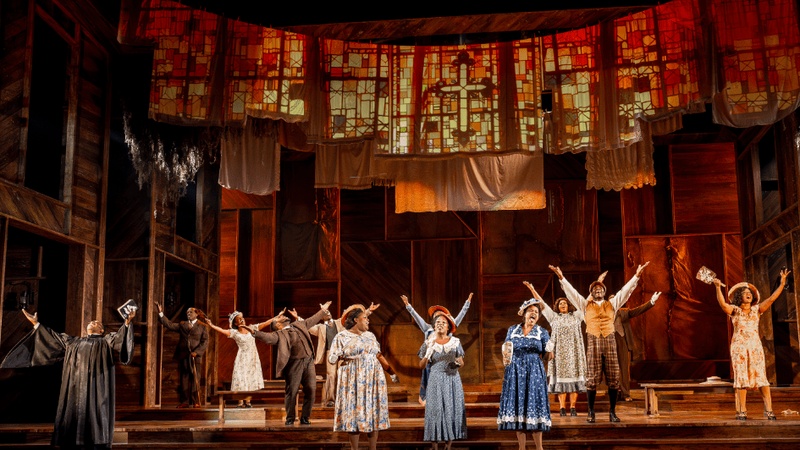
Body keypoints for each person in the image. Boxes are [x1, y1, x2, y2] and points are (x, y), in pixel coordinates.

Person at [0, 306, 135, 449]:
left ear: (101, 331)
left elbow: (121, 339)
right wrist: (36, 324)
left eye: (96, 323)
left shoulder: (106, 341)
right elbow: (53, 338)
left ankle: (97, 440)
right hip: (75, 386)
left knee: (95, 411)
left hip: (97, 386)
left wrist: (127, 323)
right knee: (73, 410)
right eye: (91, 322)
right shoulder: (72, 341)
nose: (93, 322)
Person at [549, 262, 649, 423]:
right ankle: (591, 411)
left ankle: (612, 412)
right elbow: (571, 293)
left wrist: (636, 275)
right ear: (591, 292)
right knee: (592, 380)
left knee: (613, 379)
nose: (598, 290)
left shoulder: (613, 304)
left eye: (601, 288)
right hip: (593, 344)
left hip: (609, 343)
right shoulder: (584, 305)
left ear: (604, 291)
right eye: (595, 289)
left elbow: (626, 291)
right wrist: (561, 277)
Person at [713, 268, 790, 421]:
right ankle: (742, 410)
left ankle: (768, 410)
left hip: (755, 347)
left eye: (750, 292)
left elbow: (772, 299)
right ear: (739, 296)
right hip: (739, 348)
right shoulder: (735, 310)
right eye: (745, 292)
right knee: (741, 377)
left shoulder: (757, 310)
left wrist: (782, 283)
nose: (748, 294)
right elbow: (723, 305)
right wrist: (717, 288)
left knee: (761, 376)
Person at [252, 301, 331, 425]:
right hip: (294, 364)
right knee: (292, 391)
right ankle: (290, 418)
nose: (283, 316)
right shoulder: (279, 334)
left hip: (308, 361)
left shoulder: (299, 324)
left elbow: (313, 319)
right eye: (279, 317)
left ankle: (305, 417)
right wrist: (254, 333)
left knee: (311, 389)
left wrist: (323, 310)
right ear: (277, 325)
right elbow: (268, 338)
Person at [329, 306, 394, 450]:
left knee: (373, 411)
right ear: (355, 320)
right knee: (354, 413)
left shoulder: (370, 335)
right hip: (352, 378)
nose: (368, 320)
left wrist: (391, 371)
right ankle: (354, 448)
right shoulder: (341, 336)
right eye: (365, 318)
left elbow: (378, 354)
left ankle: (373, 448)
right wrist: (340, 355)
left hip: (372, 377)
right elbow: (332, 358)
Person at [524, 281, 586, 417]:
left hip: (574, 353)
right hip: (559, 354)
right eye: (560, 304)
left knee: (574, 381)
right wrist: (532, 288)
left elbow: (584, 303)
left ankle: (573, 407)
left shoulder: (577, 316)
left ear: (569, 305)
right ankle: (563, 407)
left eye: (565, 303)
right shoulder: (553, 317)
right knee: (561, 382)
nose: (563, 305)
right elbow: (541, 303)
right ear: (557, 307)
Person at [497, 297, 552, 450]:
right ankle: (521, 448)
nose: (534, 313)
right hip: (515, 372)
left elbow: (547, 357)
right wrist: (506, 359)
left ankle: (539, 448)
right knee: (518, 407)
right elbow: (507, 349)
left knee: (533, 406)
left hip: (534, 372)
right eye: (531, 311)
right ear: (524, 314)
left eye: (536, 312)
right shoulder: (512, 329)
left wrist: (550, 350)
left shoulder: (542, 332)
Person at [303, 302, 382, 408]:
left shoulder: (339, 323)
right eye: (325, 313)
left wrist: (369, 311)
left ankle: (345, 398)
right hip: (330, 353)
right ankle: (330, 399)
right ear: (322, 317)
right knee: (331, 375)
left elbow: (355, 317)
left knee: (343, 374)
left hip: (343, 352)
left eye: (328, 311)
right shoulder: (320, 328)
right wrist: (298, 318)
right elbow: (306, 326)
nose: (327, 313)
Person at [201, 310, 283, 407]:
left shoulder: (252, 328)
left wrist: (277, 316)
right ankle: (240, 402)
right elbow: (221, 330)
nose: (241, 319)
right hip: (242, 358)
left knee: (249, 378)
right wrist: (211, 325)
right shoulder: (234, 333)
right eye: (239, 319)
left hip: (252, 357)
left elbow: (265, 323)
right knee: (241, 378)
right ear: (235, 323)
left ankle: (248, 401)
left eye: (242, 317)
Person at [401, 293, 472, 405]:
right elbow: (416, 317)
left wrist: (467, 304)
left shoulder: (450, 330)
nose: (439, 318)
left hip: (445, 362)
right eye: (437, 316)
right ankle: (429, 400)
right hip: (430, 361)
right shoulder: (427, 328)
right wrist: (408, 306)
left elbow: (460, 317)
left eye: (442, 317)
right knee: (428, 380)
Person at [419, 313, 467, 450]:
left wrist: (457, 364)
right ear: (434, 326)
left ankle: (448, 444)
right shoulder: (428, 342)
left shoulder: (455, 342)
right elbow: (421, 366)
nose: (440, 324)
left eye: (443, 322)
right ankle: (434, 445)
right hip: (435, 379)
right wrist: (427, 355)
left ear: (448, 327)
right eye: (438, 322)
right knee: (435, 410)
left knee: (451, 409)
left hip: (452, 379)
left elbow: (461, 362)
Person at [157, 303, 209, 408]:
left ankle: (195, 401)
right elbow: (169, 325)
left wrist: (197, 352)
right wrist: (160, 313)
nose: (188, 314)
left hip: (195, 356)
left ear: (196, 314)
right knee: (184, 378)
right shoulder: (182, 324)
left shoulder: (202, 326)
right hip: (184, 355)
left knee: (195, 378)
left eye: (190, 312)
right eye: (187, 312)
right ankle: (184, 401)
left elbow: (205, 342)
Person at [615, 290, 661, 401]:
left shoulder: (624, 312)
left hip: (621, 341)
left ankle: (626, 394)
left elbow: (637, 311)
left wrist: (651, 302)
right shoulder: (603, 313)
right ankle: (614, 393)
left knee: (624, 370)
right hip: (607, 342)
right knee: (610, 370)